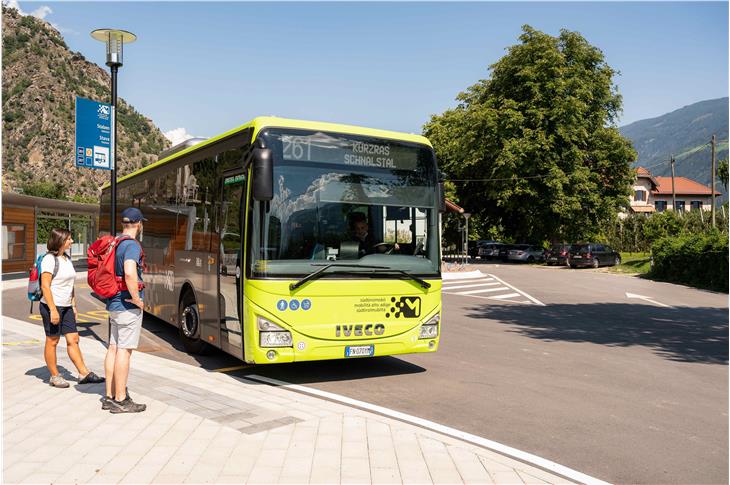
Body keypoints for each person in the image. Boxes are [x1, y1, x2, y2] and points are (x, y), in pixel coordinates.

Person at [40, 228, 105, 388]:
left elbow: (71, 285)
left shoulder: (66, 258)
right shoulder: (49, 259)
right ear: (60, 240)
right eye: (69, 239)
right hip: (51, 306)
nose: (72, 242)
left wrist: (74, 305)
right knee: (52, 340)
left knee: (73, 339)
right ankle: (54, 376)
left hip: (67, 306)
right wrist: (53, 309)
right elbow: (45, 286)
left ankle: (84, 373)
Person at [102, 207, 147, 413]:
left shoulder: (115, 243)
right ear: (138, 224)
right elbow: (130, 273)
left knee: (113, 347)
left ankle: (109, 396)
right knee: (124, 351)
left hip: (113, 303)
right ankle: (121, 399)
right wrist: (137, 300)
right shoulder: (131, 246)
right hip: (127, 305)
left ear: (124, 224)